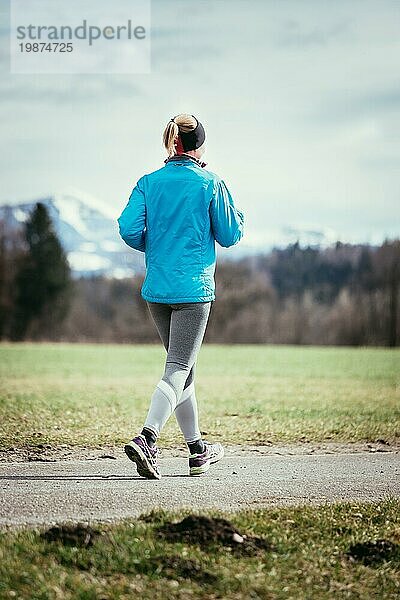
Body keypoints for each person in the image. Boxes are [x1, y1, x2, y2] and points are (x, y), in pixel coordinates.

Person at [117, 113, 244, 479]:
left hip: (157, 290)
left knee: (183, 370)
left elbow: (127, 228)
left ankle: (197, 451)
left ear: (171, 144)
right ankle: (147, 439)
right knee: (177, 368)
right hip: (192, 290)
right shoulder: (209, 182)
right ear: (198, 146)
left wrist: (155, 247)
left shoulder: (148, 182)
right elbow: (231, 233)